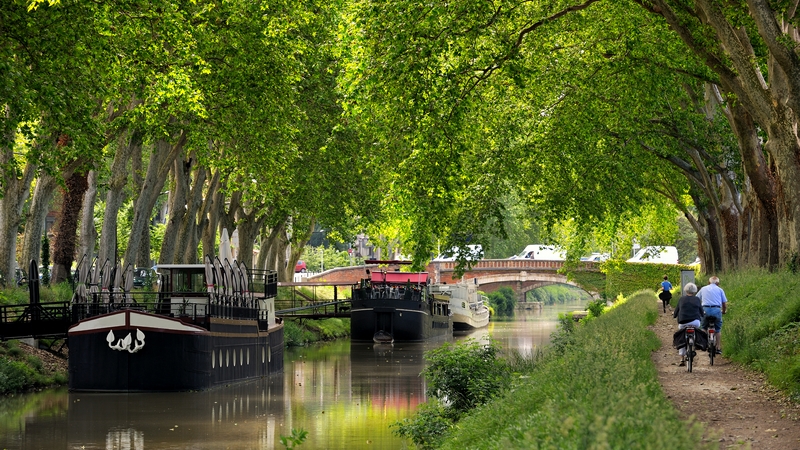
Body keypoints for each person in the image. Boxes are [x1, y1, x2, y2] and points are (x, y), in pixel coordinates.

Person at [673, 282, 704, 366]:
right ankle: (696, 343)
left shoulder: (681, 299)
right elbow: (701, 312)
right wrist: (702, 315)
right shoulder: (697, 299)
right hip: (695, 322)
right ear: (694, 291)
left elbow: (676, 311)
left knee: (682, 337)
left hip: (683, 322)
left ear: (685, 290)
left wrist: (674, 315)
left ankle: (682, 359)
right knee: (697, 330)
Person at [697, 276, 727, 354]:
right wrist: (723, 311)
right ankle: (718, 347)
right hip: (716, 310)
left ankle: (703, 343)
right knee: (717, 329)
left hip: (705, 310)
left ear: (708, 282)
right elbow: (724, 304)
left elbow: (697, 299)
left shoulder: (703, 289)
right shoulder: (720, 290)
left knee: (703, 327)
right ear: (718, 283)